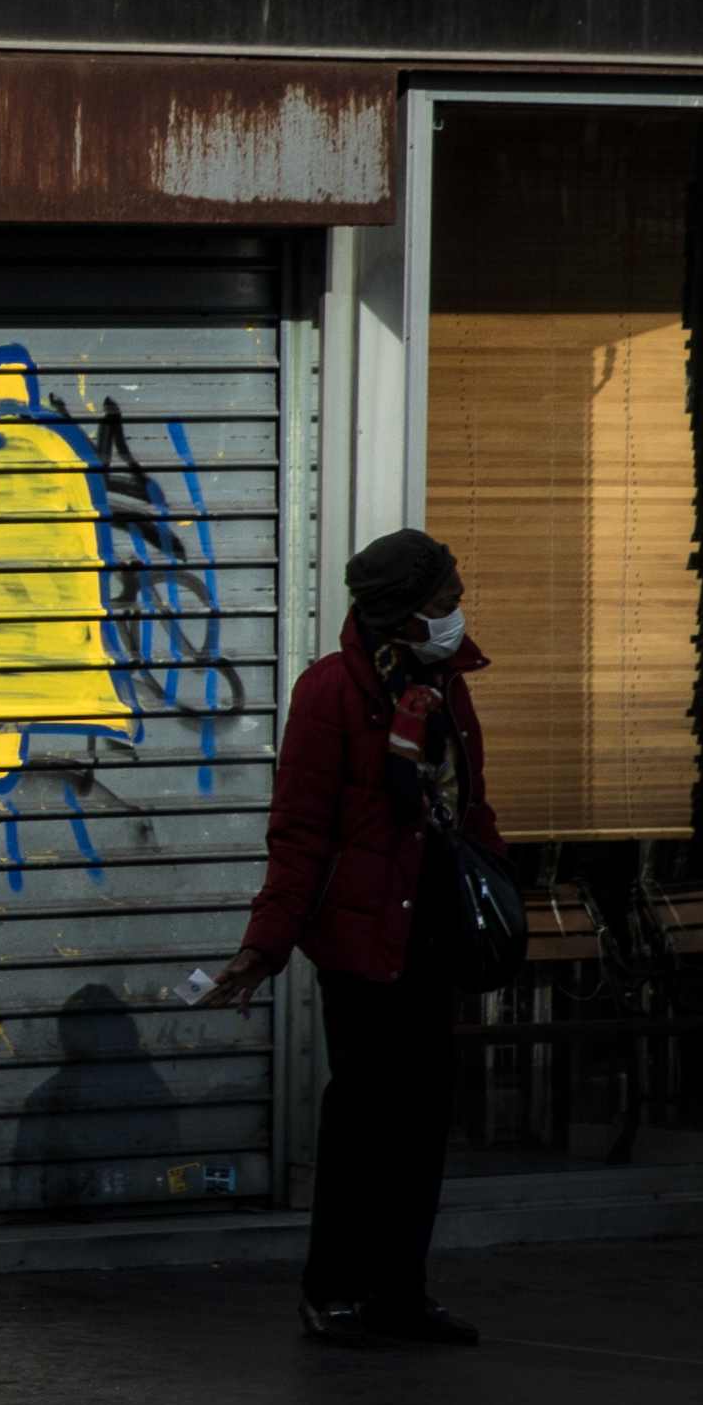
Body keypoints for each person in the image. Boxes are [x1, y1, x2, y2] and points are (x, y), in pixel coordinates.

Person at [213, 529, 505, 1347]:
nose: (456, 612)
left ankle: (401, 1291)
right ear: (407, 613)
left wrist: (497, 890)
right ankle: (334, 1289)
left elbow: (469, 807)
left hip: (434, 936)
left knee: (421, 1123)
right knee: (364, 1122)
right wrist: (264, 948)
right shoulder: (333, 692)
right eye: (445, 599)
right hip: (362, 943)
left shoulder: (448, 685)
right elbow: (300, 833)